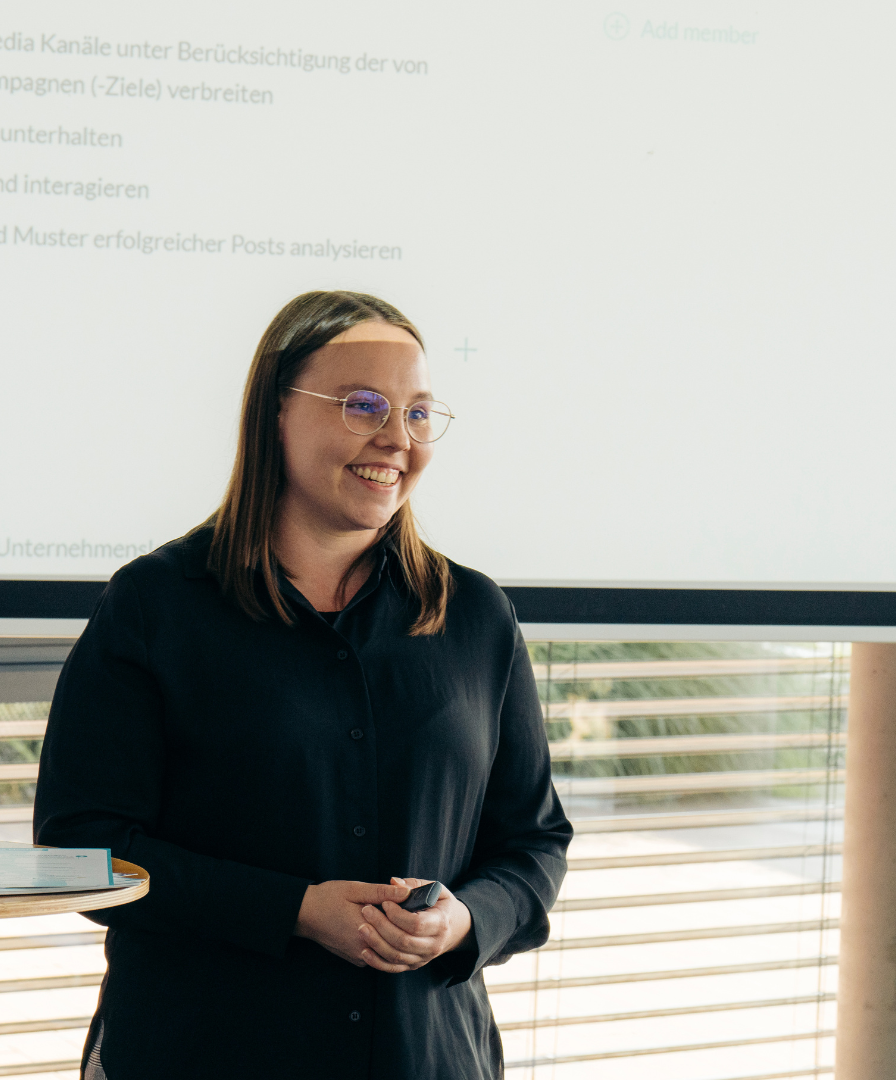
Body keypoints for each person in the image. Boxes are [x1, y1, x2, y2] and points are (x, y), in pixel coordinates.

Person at [33, 290, 572, 1079]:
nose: (397, 438)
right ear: (275, 412)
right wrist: (295, 910)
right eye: (364, 406)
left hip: (426, 1056)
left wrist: (465, 920)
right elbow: (81, 847)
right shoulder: (156, 604)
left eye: (418, 413)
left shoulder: (476, 615)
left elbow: (533, 844)